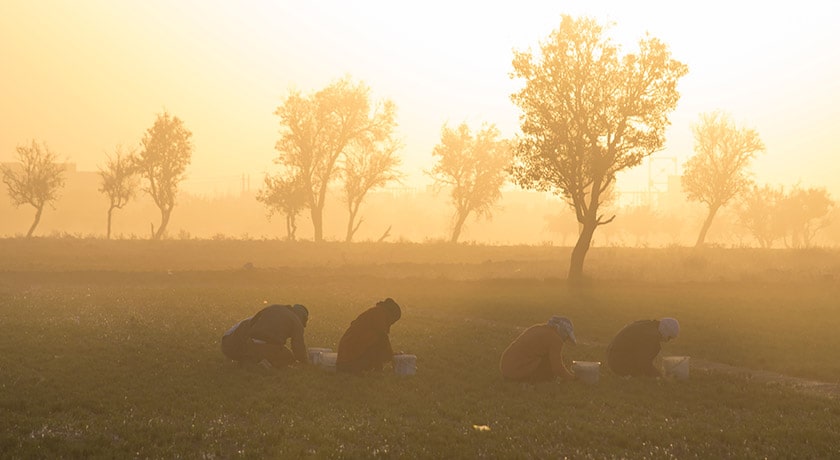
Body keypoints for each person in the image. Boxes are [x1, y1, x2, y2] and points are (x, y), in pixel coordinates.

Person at [221, 303, 310, 368]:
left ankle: (250, 360)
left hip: (248, 344)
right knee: (289, 358)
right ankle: (262, 366)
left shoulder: (273, 307)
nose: (304, 325)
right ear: (301, 316)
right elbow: (298, 347)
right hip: (268, 348)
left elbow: (252, 323)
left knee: (256, 350)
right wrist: (305, 362)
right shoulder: (297, 321)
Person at [499, 316, 577, 382]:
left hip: (505, 368)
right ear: (563, 332)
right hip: (516, 371)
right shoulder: (555, 339)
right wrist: (572, 378)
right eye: (567, 337)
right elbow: (557, 368)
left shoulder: (537, 328)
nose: (565, 340)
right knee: (549, 371)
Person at [336, 298, 402, 373]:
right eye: (394, 320)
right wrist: (391, 355)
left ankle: (371, 369)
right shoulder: (379, 314)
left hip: (346, 356)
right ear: (391, 314)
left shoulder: (377, 311)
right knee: (379, 344)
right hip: (349, 357)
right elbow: (383, 339)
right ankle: (361, 368)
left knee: (378, 344)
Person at [606, 317, 679, 377]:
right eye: (669, 337)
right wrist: (658, 376)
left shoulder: (648, 325)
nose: (667, 340)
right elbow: (643, 362)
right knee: (655, 348)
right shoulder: (651, 336)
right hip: (618, 361)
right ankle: (631, 374)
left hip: (613, 356)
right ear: (665, 330)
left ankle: (635, 373)